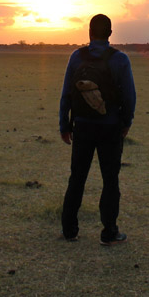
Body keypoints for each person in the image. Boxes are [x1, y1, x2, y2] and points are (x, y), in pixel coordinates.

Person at [59, 14, 136, 245]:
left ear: (89, 32)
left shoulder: (76, 56)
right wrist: (125, 123)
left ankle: (69, 229)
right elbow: (130, 96)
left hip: (82, 127)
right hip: (110, 128)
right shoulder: (120, 59)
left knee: (77, 178)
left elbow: (66, 94)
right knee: (110, 180)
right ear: (110, 33)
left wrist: (65, 125)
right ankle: (109, 232)